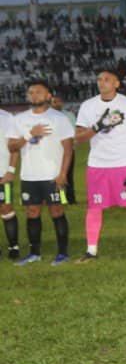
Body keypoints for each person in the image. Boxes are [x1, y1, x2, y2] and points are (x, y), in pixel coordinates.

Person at [74, 69, 126, 264]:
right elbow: (79, 138)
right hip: (97, 165)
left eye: (107, 79)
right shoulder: (88, 106)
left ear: (117, 84)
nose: (102, 82)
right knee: (94, 207)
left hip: (124, 164)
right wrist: (99, 125)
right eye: (99, 79)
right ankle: (91, 251)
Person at [7, 81, 74, 265]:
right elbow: (12, 147)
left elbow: (68, 150)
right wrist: (29, 134)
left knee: (57, 210)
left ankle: (63, 253)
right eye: (31, 92)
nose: (34, 95)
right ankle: (34, 253)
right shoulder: (19, 119)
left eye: (38, 92)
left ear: (48, 96)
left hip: (53, 175)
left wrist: (63, 174)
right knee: (32, 212)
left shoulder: (59, 118)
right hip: (29, 176)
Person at [51, 94, 78, 203]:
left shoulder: (69, 115)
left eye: (59, 101)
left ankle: (70, 198)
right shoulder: (47, 116)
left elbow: (74, 132)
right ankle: (60, 198)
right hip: (54, 151)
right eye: (54, 102)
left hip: (68, 150)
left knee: (68, 174)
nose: (57, 104)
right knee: (55, 175)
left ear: (62, 103)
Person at [0, 107, 19, 260]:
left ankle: (14, 246)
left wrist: (11, 170)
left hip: (2, 173)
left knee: (6, 208)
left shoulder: (7, 118)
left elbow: (14, 147)